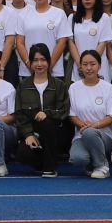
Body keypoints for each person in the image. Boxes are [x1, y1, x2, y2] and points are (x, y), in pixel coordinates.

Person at [10, 45, 69, 178]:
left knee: (46, 123)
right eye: (35, 60)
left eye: (43, 60)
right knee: (22, 153)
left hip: (56, 132)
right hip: (34, 132)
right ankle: (42, 163)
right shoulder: (23, 86)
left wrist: (47, 113)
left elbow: (64, 110)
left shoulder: (59, 85)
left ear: (48, 61)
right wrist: (28, 134)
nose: (39, 64)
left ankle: (50, 167)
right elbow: (20, 113)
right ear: (30, 63)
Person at [65, 49, 112, 179]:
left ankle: (102, 166)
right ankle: (92, 163)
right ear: (80, 66)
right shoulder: (74, 88)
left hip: (105, 136)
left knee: (90, 133)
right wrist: (83, 125)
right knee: (77, 158)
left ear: (99, 66)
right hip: (81, 134)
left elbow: (111, 116)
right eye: (85, 64)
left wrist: (95, 126)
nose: (89, 68)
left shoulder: (108, 88)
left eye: (93, 64)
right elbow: (72, 115)